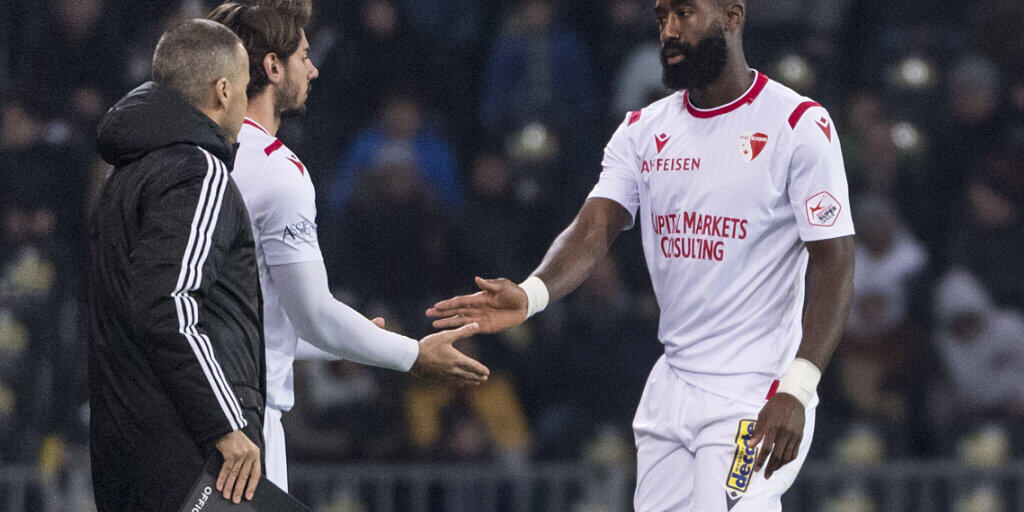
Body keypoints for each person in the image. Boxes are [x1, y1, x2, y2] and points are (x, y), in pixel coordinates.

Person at [428, 1, 856, 510]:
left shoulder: (798, 124)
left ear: (734, 15)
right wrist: (532, 291)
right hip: (671, 386)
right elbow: (595, 227)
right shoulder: (642, 129)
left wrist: (799, 387)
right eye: (661, 18)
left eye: (685, 14)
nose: (669, 31)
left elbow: (834, 262)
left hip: (756, 391)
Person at [207, 0, 489, 491]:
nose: (313, 70)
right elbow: (314, 315)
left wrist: (357, 339)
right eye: (303, 56)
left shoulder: (195, 156)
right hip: (245, 424)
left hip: (193, 410)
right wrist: (412, 352)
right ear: (273, 67)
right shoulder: (276, 169)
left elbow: (247, 323)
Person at [89, 19, 264, 511]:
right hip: (189, 454)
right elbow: (171, 303)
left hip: (124, 447)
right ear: (223, 90)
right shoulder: (198, 170)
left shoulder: (123, 176)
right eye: (246, 85)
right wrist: (225, 424)